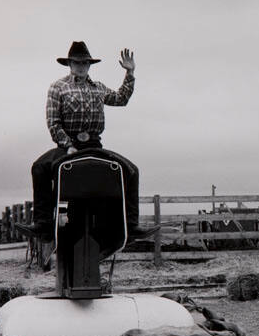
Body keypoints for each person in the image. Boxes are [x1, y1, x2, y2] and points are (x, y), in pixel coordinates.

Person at [16, 41, 158, 242]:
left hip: (94, 145)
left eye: (85, 63)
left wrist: (130, 73)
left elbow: (121, 99)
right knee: (39, 167)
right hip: (68, 146)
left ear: (89, 65)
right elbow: (53, 122)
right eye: (77, 63)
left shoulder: (98, 88)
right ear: (70, 64)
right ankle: (43, 225)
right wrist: (68, 145)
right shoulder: (58, 87)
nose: (81, 66)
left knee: (131, 170)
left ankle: (131, 226)